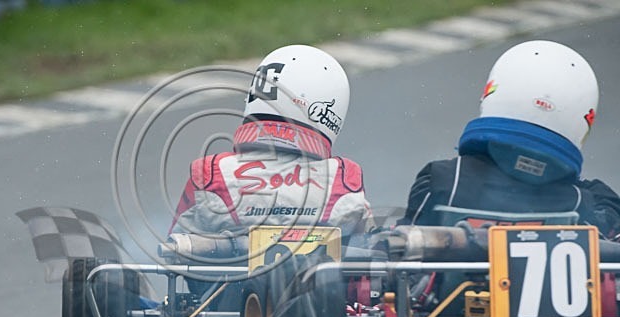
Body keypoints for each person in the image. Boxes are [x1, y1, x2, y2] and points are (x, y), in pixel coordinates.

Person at [400, 40, 620, 239]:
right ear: (583, 117)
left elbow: (400, 253)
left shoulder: (443, 180)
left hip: (453, 284)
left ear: (493, 93)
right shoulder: (591, 203)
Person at [170, 44, 374, 238]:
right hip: (320, 274)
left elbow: (174, 247)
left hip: (230, 274)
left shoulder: (211, 173)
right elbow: (370, 254)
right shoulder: (344, 179)